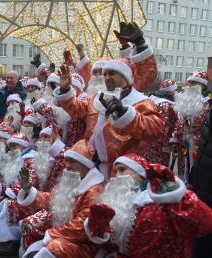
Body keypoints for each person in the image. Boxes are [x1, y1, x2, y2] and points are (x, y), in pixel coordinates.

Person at [54, 22, 164, 177]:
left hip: (122, 171)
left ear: (126, 78)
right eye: (105, 74)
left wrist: (126, 115)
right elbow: (76, 109)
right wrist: (65, 89)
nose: (106, 77)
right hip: (93, 167)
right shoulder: (96, 98)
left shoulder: (141, 102)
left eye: (112, 73)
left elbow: (155, 128)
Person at [84, 154, 212, 258]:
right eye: (115, 171)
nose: (117, 175)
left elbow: (204, 223)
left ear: (141, 174)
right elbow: (116, 247)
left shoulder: (160, 202)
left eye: (122, 169)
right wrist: (98, 228)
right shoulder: (121, 204)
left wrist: (177, 197)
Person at [18, 140, 105, 258]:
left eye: (72, 162)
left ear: (85, 164)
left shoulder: (94, 190)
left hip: (85, 243)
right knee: (31, 223)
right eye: (67, 161)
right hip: (63, 229)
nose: (67, 166)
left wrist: (51, 234)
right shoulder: (71, 179)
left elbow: (81, 227)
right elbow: (50, 199)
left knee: (56, 247)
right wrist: (29, 189)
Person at [189, 97, 212, 258]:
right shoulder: (209, 110)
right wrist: (192, 179)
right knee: (199, 251)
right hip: (203, 193)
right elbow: (204, 149)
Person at [173, 71, 210, 182]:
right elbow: (178, 123)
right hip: (183, 143)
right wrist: (174, 139)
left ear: (202, 86)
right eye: (189, 83)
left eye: (194, 83)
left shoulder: (208, 104)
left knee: (197, 171)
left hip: (200, 145)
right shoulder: (182, 104)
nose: (190, 86)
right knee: (183, 168)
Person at [144, 79, 178, 166]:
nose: (176, 93)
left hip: (150, 143)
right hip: (159, 146)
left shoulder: (153, 101)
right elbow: (164, 127)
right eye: (175, 90)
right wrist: (166, 145)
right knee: (158, 170)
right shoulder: (165, 105)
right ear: (170, 92)